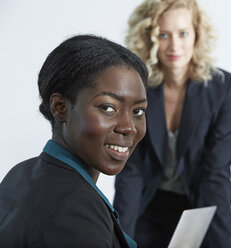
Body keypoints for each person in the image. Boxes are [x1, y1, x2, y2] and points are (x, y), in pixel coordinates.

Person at [0, 34, 148, 248]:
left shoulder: (21, 173)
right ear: (60, 108)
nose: (128, 127)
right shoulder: (75, 208)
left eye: (138, 111)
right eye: (108, 108)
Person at [113, 0, 231, 247]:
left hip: (199, 204)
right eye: (163, 35)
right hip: (148, 205)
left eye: (183, 33)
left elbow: (216, 174)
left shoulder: (223, 88)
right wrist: (119, 239)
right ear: (149, 38)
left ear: (196, 35)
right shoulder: (136, 87)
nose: (174, 45)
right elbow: (132, 171)